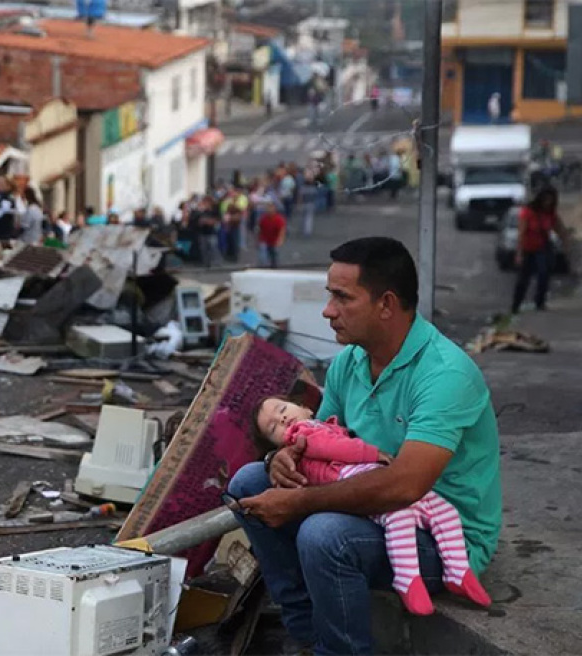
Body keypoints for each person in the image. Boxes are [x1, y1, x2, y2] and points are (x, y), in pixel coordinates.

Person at [228, 237, 501, 655]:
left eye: (342, 297)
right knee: (249, 481)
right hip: (374, 510)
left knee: (323, 534)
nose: (327, 310)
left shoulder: (446, 375)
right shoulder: (348, 362)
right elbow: (316, 441)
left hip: (439, 536)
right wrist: (280, 457)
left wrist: (299, 502)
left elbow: (405, 486)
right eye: (329, 296)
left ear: (386, 304)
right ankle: (306, 632)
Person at [249, 397, 491, 616]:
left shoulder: (320, 424)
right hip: (351, 477)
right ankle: (407, 579)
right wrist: (374, 453)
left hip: (375, 478)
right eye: (273, 427)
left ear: (306, 407)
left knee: (444, 511)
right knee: (397, 515)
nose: (282, 419)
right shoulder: (304, 432)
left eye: (282, 409)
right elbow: (336, 448)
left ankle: (458, 571)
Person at [511, 186, 568, 314]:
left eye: (551, 200)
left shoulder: (550, 214)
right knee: (523, 279)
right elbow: (522, 233)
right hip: (527, 248)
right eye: (546, 200)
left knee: (544, 273)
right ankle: (516, 305)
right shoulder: (528, 212)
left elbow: (559, 228)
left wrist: (565, 242)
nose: (548, 203)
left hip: (542, 248)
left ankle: (539, 302)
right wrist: (519, 253)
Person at [256, 201, 286, 268]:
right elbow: (259, 229)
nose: (269, 210)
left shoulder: (278, 219)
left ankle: (274, 266)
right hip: (264, 240)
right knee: (263, 257)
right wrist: (258, 240)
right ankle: (264, 267)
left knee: (274, 256)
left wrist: (280, 240)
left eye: (271, 208)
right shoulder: (263, 219)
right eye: (268, 208)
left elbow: (282, 230)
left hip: (274, 241)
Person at [298, 172, 318, 237]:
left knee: (303, 218)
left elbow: (300, 197)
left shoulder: (303, 188)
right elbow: (315, 196)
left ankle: (303, 229)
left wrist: (299, 204)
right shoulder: (313, 189)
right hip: (311, 204)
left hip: (304, 204)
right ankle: (308, 231)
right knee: (309, 218)